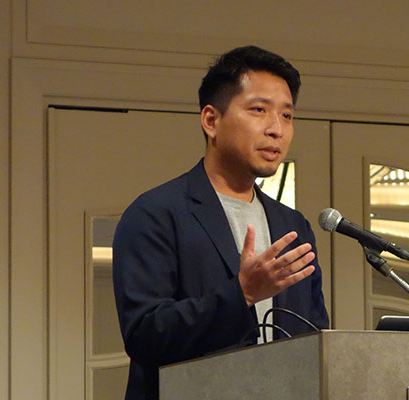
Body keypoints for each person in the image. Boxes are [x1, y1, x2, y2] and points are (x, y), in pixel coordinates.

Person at [113, 45, 329, 400]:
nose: (277, 129)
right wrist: (242, 293)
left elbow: (314, 336)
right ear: (211, 121)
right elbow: (145, 335)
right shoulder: (156, 213)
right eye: (259, 110)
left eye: (287, 115)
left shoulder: (293, 226)